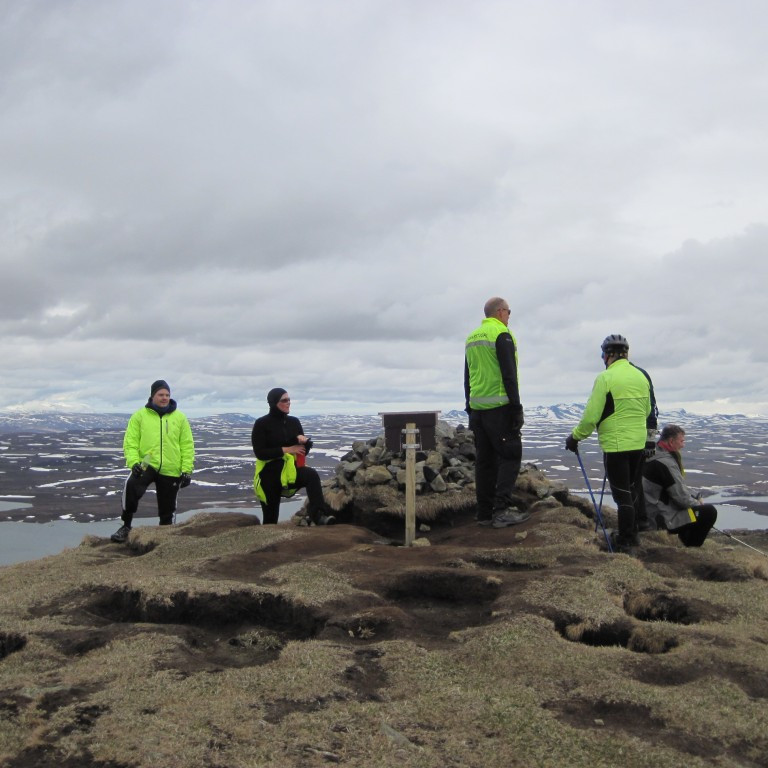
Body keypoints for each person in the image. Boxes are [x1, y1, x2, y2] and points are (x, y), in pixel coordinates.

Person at [565, 334, 651, 553]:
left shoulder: (606, 378)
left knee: (622, 495)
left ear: (608, 355)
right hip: (638, 443)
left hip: (616, 445)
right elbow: (647, 410)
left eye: (603, 354)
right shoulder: (641, 376)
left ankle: (626, 541)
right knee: (633, 490)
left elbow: (591, 416)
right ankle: (634, 534)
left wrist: (575, 437)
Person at [464, 297, 530, 528]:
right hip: (500, 408)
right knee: (511, 456)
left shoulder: (472, 338)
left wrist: (469, 406)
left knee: (485, 462)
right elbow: (509, 374)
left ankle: (484, 513)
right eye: (509, 312)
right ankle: (501, 511)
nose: (509, 316)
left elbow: (467, 375)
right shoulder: (502, 334)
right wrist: (516, 408)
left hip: (478, 410)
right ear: (501, 311)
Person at [111, 380, 195, 543]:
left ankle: (165, 535)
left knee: (168, 508)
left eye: (167, 395)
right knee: (131, 487)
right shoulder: (140, 416)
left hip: (171, 466)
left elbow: (187, 444)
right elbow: (130, 442)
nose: (164, 398)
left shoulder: (180, 418)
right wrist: (134, 463)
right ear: (152, 396)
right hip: (146, 463)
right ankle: (126, 526)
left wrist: (186, 470)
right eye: (161, 394)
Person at [251, 388, 335, 526]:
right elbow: (260, 453)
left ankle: (319, 515)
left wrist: (305, 444)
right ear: (274, 403)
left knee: (311, 475)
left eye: (289, 399)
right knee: (270, 519)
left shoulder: (294, 422)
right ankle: (267, 538)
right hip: (269, 475)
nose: (288, 402)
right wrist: (288, 449)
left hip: (290, 471)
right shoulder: (262, 423)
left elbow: (301, 452)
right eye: (284, 400)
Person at [643, 424, 717, 547]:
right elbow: (682, 498)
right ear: (671, 441)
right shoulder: (665, 462)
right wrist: (698, 503)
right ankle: (690, 548)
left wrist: (695, 495)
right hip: (658, 518)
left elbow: (677, 487)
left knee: (691, 508)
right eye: (681, 441)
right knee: (709, 512)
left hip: (648, 513)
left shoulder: (653, 453)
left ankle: (683, 544)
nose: (683, 445)